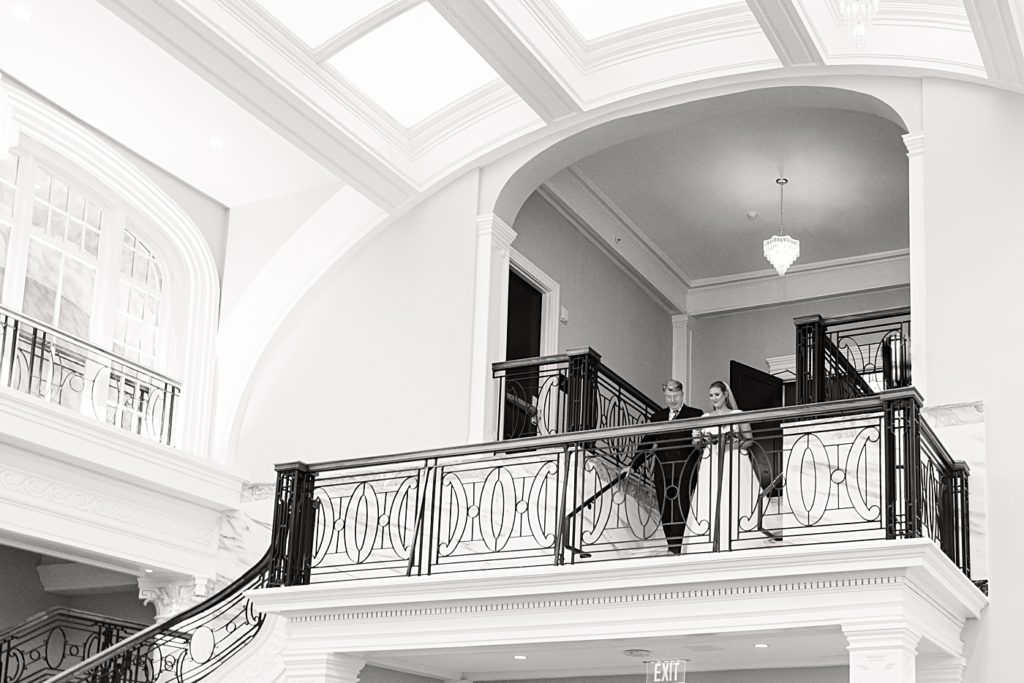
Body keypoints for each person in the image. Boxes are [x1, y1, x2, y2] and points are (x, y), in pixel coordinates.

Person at [634, 379, 703, 555]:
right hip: (662, 469)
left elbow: (698, 443)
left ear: (682, 394)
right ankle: (671, 544)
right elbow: (647, 442)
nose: (672, 400)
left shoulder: (694, 413)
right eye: (669, 396)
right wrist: (632, 465)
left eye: (676, 396)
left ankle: (674, 548)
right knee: (665, 509)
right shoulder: (657, 417)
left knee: (681, 507)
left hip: (684, 468)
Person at [686, 380, 754, 551]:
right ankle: (708, 540)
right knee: (710, 495)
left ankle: (736, 536)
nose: (714, 398)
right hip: (711, 460)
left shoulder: (737, 414)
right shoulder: (705, 418)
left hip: (734, 459)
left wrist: (730, 446)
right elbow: (696, 444)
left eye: (717, 394)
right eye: (711, 395)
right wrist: (698, 440)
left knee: (733, 493)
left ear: (725, 395)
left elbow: (749, 440)